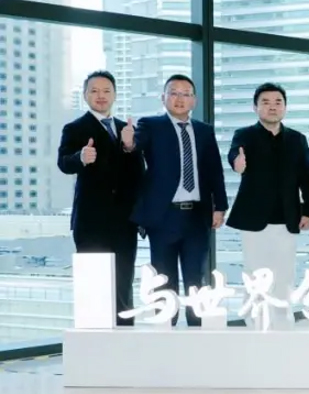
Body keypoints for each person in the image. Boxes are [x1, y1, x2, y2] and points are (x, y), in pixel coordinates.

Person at [129, 74, 227, 326]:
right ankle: (165, 331)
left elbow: (214, 170)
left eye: (186, 94)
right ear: (163, 98)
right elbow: (135, 146)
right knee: (164, 280)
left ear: (194, 100)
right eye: (173, 93)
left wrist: (220, 207)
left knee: (197, 280)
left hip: (197, 216)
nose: (179, 99)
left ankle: (197, 330)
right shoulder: (151, 125)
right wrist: (129, 143)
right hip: (164, 216)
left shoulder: (204, 131)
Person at [226, 83, 309, 329]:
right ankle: (254, 320)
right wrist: (237, 163)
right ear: (255, 107)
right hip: (254, 218)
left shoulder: (297, 139)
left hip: (288, 216)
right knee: (255, 273)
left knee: (285, 273)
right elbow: (234, 155)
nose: (272, 107)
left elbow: (306, 178)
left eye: (278, 102)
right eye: (265, 102)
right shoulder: (244, 134)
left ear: (285, 107)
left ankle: (282, 321)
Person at [56, 70, 143, 325]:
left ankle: (125, 340)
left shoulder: (126, 129)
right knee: (93, 291)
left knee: (123, 286)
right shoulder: (75, 128)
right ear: (85, 95)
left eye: (106, 91)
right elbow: (63, 162)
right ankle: (94, 345)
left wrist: (130, 147)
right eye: (94, 91)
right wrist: (80, 158)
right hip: (91, 223)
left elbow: (139, 173)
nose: (100, 96)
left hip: (124, 223)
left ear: (115, 94)